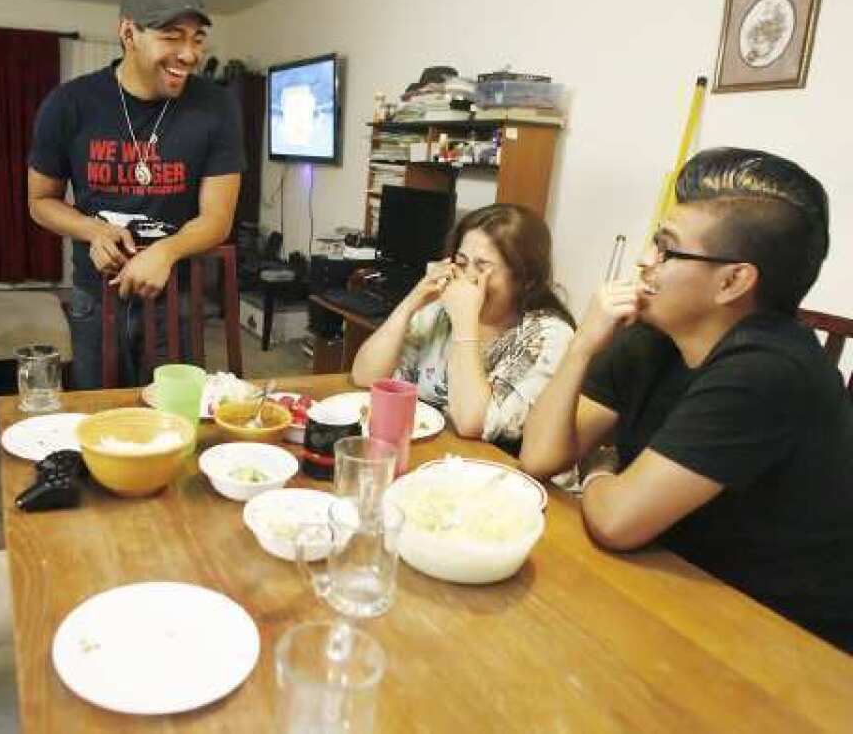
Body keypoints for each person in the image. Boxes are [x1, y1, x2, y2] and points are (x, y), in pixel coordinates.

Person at [520, 148, 853, 653]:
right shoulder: (654, 333)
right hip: (663, 579)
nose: (645, 260)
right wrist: (584, 344)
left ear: (733, 281)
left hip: (776, 636)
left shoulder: (768, 371)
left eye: (667, 250)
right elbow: (539, 457)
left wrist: (599, 469)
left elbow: (617, 521)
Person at [28, 0, 245, 389]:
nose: (189, 54)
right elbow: (40, 201)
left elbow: (217, 218)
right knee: (100, 419)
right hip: (96, 297)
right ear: (128, 32)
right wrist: (91, 229)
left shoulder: (217, 107)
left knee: (176, 420)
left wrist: (164, 252)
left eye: (197, 39)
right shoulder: (69, 104)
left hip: (178, 298)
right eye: (171, 36)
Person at [351, 203, 575, 454]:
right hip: (433, 454)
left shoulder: (548, 336)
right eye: (461, 262)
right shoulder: (441, 310)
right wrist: (411, 303)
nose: (466, 278)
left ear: (525, 279)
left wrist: (465, 323)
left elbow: (472, 422)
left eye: (482, 267)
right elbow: (365, 376)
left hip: (501, 472)